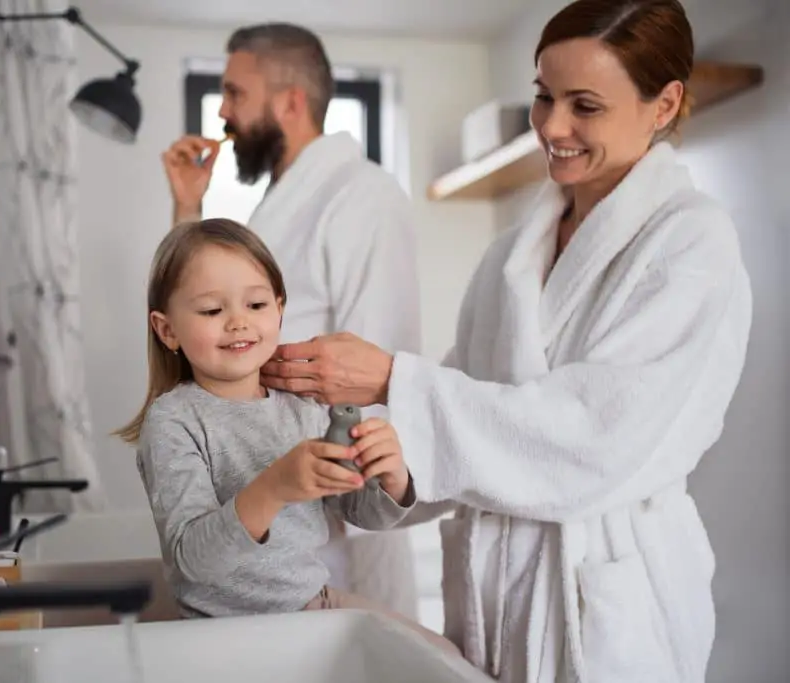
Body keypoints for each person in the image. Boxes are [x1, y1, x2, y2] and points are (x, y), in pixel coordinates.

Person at [260, 1, 753, 681]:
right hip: (494, 598)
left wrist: (391, 381)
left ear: (664, 103)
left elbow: (593, 436)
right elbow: (466, 426)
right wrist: (394, 467)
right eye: (544, 96)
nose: (552, 126)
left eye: (585, 105)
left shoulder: (691, 243)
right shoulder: (508, 259)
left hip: (609, 604)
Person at [160, 23, 423, 617]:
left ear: (291, 101)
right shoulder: (283, 202)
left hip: (337, 515)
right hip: (259, 524)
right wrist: (187, 206)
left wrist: (366, 484)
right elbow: (196, 299)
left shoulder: (363, 196)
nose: (223, 110)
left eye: (235, 92)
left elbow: (376, 365)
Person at [113, 219, 460, 658]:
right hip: (218, 636)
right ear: (167, 331)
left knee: (443, 660)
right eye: (212, 311)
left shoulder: (300, 407)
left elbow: (356, 510)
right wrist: (274, 487)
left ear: (279, 309)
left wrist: (391, 478)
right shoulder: (173, 423)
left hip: (311, 606)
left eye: (255, 304)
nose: (238, 322)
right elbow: (193, 563)